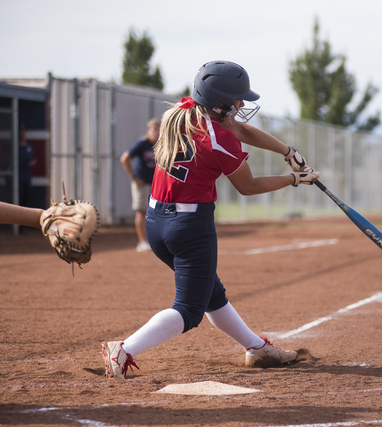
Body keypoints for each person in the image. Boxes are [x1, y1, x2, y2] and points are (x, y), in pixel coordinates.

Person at [101, 60, 320, 379]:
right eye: (236, 99)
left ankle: (256, 349)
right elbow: (249, 186)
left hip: (156, 222)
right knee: (189, 310)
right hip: (190, 228)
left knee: (211, 294)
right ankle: (125, 348)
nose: (241, 104)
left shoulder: (183, 111)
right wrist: (293, 179)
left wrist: (287, 150)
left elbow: (240, 128)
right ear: (218, 103)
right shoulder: (220, 139)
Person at [120, 119, 160, 252]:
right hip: (142, 183)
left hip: (156, 184)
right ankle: (142, 241)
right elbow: (125, 158)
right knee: (142, 211)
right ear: (148, 131)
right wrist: (134, 177)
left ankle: (156, 241)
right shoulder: (142, 144)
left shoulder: (162, 144)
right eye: (153, 129)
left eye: (158, 129)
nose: (156, 132)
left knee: (158, 212)